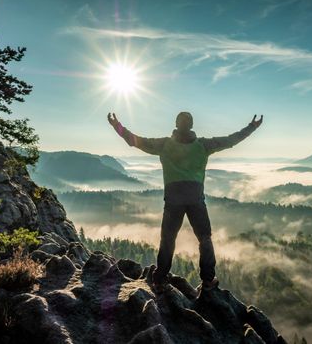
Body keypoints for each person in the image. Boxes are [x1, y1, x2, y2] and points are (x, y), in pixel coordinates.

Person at [107, 111, 263, 293]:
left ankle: (160, 279)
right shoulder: (203, 145)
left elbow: (134, 140)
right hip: (196, 198)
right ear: (191, 125)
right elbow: (231, 140)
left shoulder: (164, 144)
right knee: (204, 238)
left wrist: (116, 125)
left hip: (173, 199)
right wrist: (252, 127)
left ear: (176, 124)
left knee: (168, 239)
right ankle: (208, 280)